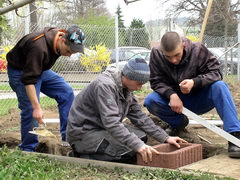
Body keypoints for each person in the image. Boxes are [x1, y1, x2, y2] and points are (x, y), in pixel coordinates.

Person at [66, 58, 187, 163]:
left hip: (102, 128)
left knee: (141, 138)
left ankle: (99, 151)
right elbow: (112, 123)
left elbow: (140, 117)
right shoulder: (104, 86)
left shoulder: (126, 89)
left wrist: (165, 137)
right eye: (139, 84)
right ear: (128, 76)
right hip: (84, 133)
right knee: (129, 152)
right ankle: (82, 155)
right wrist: (137, 146)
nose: (139, 88)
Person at [144, 31, 240, 158]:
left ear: (183, 45)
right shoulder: (157, 53)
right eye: (168, 57)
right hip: (175, 103)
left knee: (220, 86)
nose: (173, 60)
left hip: (200, 98)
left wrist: (195, 82)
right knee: (151, 100)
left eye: (177, 55)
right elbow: (156, 81)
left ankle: (234, 136)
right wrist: (171, 95)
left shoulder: (198, 50)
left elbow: (216, 73)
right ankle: (178, 123)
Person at [6, 25, 85, 152]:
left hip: (40, 69)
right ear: (62, 40)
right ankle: (28, 149)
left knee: (66, 92)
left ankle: (67, 137)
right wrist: (37, 108)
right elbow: (29, 80)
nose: (69, 55)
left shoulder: (59, 39)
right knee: (31, 108)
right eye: (69, 51)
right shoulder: (38, 47)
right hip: (21, 72)